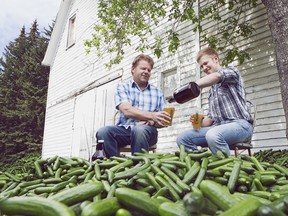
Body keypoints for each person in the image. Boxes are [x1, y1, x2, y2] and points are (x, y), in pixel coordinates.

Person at [176, 47, 254, 156]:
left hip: (241, 126)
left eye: (205, 63)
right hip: (217, 128)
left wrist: (194, 86)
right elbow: (210, 120)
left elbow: (218, 76)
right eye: (201, 66)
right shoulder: (212, 90)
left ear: (215, 59)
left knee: (213, 135)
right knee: (183, 138)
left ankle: (228, 169)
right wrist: (198, 121)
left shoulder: (232, 72)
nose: (204, 68)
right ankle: (201, 167)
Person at [95, 54, 171, 158]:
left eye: (149, 70)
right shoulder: (122, 87)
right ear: (133, 69)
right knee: (103, 132)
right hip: (124, 130)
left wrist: (154, 122)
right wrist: (151, 115)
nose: (146, 72)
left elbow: (165, 121)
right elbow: (127, 110)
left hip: (147, 131)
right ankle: (116, 166)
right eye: (143, 68)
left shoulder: (157, 92)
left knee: (139, 130)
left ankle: (139, 169)